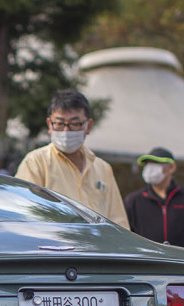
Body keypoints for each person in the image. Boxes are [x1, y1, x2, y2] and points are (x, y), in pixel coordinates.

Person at [15, 89, 129, 228]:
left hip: (98, 247)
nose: (66, 131)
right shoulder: (35, 162)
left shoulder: (103, 168)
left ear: (88, 126)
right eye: (60, 123)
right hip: (54, 246)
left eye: (75, 124)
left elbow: (118, 222)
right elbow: (25, 213)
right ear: (49, 125)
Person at [123, 147, 184, 251]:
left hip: (182, 264)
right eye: (147, 164)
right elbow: (124, 235)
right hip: (146, 263)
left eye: (156, 163)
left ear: (171, 167)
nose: (150, 168)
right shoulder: (133, 201)